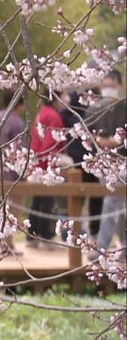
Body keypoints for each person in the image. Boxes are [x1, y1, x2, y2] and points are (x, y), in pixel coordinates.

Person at [89, 70, 126, 261]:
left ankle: (101, 248)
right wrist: (99, 141)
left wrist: (113, 141)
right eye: (105, 85)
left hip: (123, 164)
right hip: (101, 163)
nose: (108, 89)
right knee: (118, 207)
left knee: (112, 203)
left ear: (119, 86)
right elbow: (85, 132)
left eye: (111, 85)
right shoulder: (95, 108)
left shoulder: (125, 108)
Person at [0, 89, 27, 253]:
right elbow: (20, 151)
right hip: (11, 173)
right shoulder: (17, 123)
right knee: (14, 207)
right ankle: (7, 243)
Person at [27, 92, 67, 248]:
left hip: (37, 161)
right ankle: (46, 236)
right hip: (46, 164)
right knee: (47, 200)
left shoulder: (42, 112)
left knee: (37, 200)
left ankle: (31, 235)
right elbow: (50, 144)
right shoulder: (54, 117)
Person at [60, 90, 102, 238]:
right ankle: (71, 231)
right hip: (77, 154)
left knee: (97, 196)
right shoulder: (73, 96)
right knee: (77, 194)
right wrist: (79, 126)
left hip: (95, 157)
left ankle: (94, 231)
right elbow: (64, 115)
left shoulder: (98, 96)